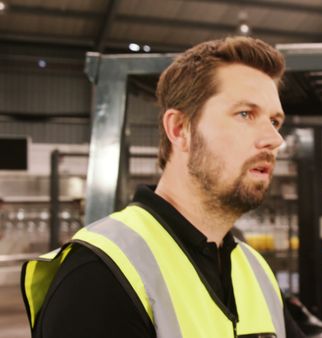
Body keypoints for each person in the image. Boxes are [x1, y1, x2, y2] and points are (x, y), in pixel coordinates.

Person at [21, 36, 305, 338]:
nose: (275, 140)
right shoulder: (100, 274)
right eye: (245, 114)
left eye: (275, 122)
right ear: (180, 129)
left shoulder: (255, 271)